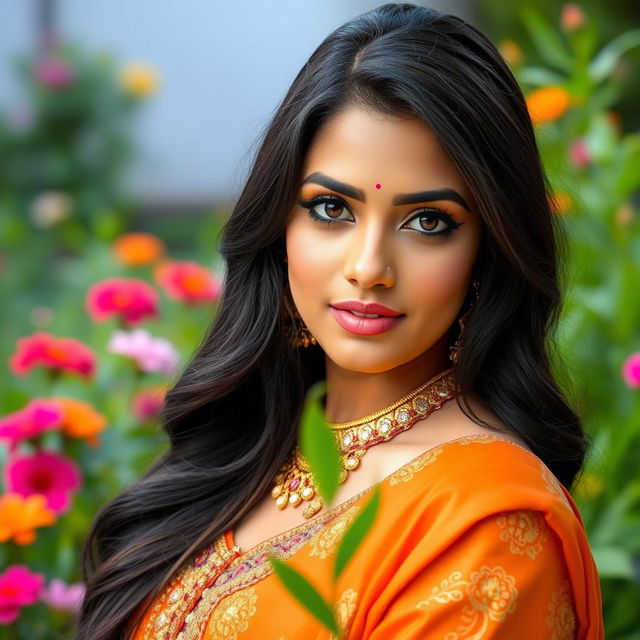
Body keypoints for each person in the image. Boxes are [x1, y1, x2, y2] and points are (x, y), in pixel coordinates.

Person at [75, 3, 605, 638]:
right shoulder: (252, 448)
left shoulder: (486, 530)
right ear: (279, 225)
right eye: (331, 208)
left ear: (489, 250)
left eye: (428, 221)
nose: (368, 266)